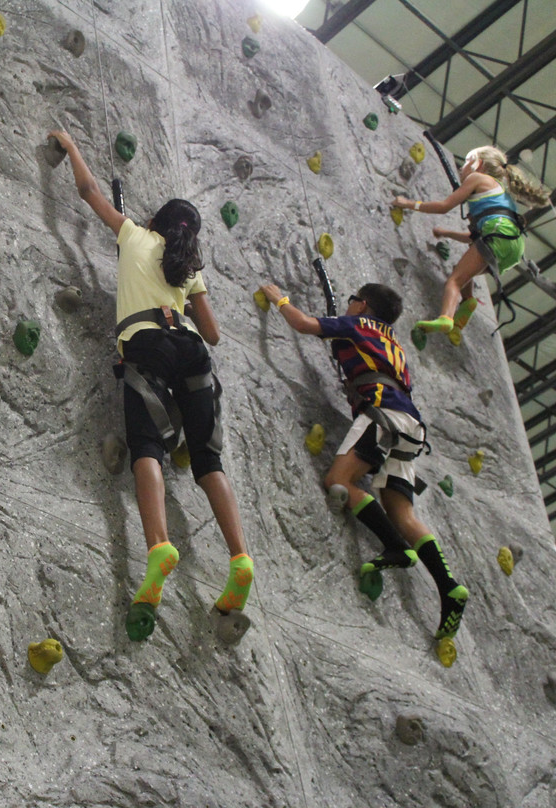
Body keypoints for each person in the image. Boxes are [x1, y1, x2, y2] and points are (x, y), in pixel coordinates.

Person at [49, 129, 253, 642]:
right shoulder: (189, 269)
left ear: (156, 220)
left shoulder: (136, 236)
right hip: (193, 351)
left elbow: (90, 191)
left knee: (146, 446)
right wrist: (181, 294)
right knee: (208, 461)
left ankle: (159, 544)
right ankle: (239, 556)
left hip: (147, 345)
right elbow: (213, 333)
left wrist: (73, 147)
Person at [257, 281, 468, 646]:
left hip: (382, 415)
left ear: (363, 304)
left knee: (340, 480)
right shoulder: (394, 344)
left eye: (353, 300)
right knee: (403, 513)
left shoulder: (359, 326)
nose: (349, 304)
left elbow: (306, 325)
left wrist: (281, 300)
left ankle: (396, 547)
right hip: (410, 426)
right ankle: (448, 586)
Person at [391, 145, 550, 348]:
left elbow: (444, 206)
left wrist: (407, 203)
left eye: (467, 161)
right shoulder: (501, 194)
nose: (462, 167)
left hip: (496, 237)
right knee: (467, 271)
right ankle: (468, 302)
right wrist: (446, 233)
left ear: (478, 163)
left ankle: (446, 319)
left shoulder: (477, 179)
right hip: (513, 247)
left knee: (455, 280)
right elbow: (474, 239)